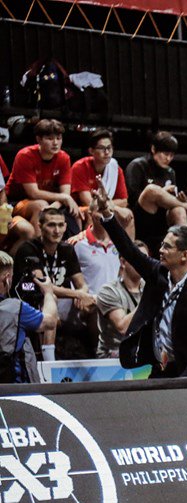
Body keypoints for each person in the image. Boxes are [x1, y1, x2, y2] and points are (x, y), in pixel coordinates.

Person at [90, 185, 187, 378]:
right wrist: (107, 213)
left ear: (184, 255)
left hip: (186, 372)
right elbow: (128, 250)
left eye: (167, 247)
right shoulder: (157, 273)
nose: (160, 250)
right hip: (158, 369)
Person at [13, 208, 95, 361]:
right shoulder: (28, 249)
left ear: (65, 226)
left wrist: (82, 294)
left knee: (95, 302)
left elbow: (81, 284)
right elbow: (44, 285)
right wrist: (77, 294)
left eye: (61, 225)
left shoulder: (67, 250)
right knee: (51, 300)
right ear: (40, 226)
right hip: (31, 300)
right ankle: (49, 361)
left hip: (62, 303)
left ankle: (99, 353)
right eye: (51, 225)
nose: (57, 230)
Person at [125, 131, 187, 247]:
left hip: (161, 218)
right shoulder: (137, 165)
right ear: (153, 149)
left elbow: (171, 203)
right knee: (151, 190)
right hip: (141, 215)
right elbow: (131, 197)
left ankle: (186, 248)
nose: (168, 158)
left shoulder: (170, 172)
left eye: (171, 155)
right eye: (165, 154)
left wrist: (180, 200)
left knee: (179, 209)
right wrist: (161, 192)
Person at [4, 119, 81, 247]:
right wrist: (63, 198)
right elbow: (33, 193)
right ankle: (40, 252)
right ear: (39, 139)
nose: (55, 143)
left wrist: (53, 207)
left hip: (48, 203)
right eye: (50, 138)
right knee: (40, 205)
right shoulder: (25, 156)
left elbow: (65, 193)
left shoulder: (64, 158)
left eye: (58, 138)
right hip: (16, 202)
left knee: (76, 213)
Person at [0, 249, 57, 383]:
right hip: (13, 387)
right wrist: (48, 292)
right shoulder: (14, 308)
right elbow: (50, 322)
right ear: (7, 279)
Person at [71, 129, 134, 237]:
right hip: (81, 208)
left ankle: (128, 253)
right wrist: (115, 208)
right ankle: (90, 249)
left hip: (105, 207)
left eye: (109, 148)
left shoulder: (115, 169)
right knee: (96, 214)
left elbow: (123, 201)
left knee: (128, 215)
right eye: (102, 148)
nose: (107, 152)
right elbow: (87, 201)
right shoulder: (80, 167)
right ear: (91, 151)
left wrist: (112, 207)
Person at [94, 240, 148, 359]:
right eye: (137, 258)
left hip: (141, 351)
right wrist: (148, 298)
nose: (142, 263)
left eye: (145, 258)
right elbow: (123, 328)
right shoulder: (108, 291)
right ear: (123, 262)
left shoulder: (148, 287)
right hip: (113, 354)